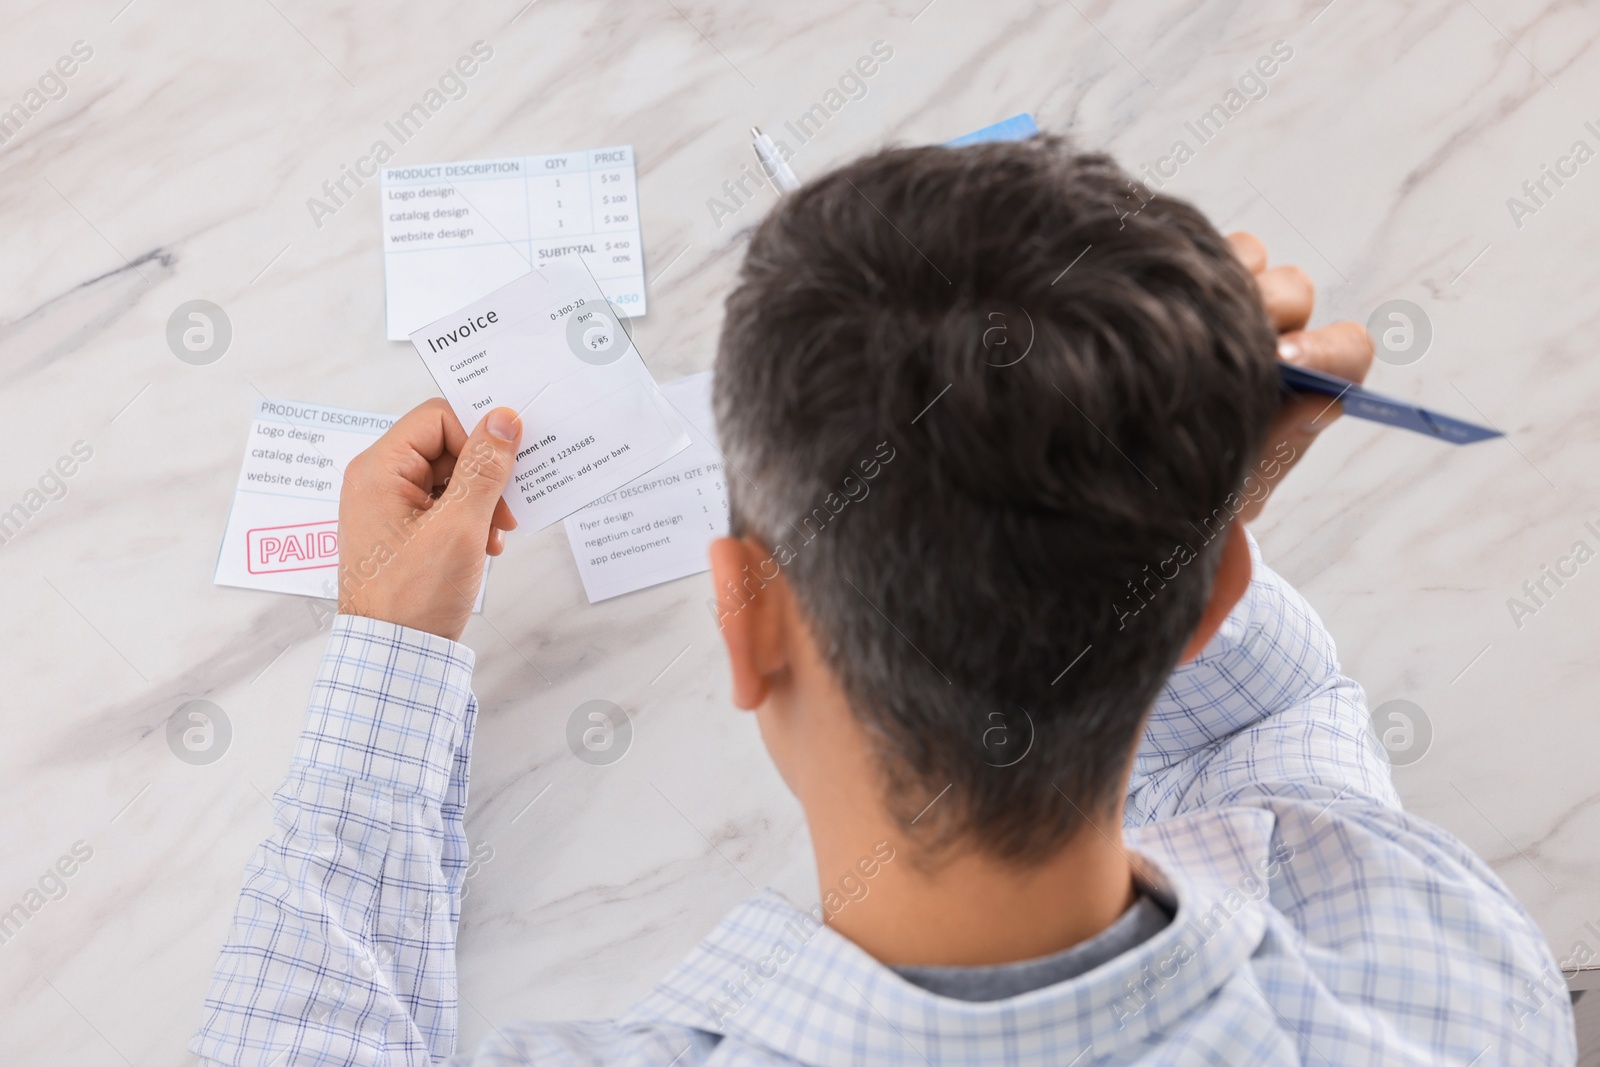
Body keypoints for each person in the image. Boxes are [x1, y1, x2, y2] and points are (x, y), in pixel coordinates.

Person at [191, 137, 1575, 1065]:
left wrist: (391, 650)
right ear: (1217, 588)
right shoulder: (1434, 965)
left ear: (745, 621)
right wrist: (1156, 486)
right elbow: (1280, 738)